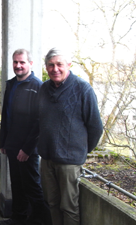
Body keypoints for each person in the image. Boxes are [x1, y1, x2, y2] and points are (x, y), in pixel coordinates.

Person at [38, 48, 103, 225]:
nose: (55, 69)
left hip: (69, 162)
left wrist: (80, 151)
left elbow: (96, 127)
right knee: (52, 203)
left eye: (59, 64)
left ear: (69, 65)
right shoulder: (44, 88)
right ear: (46, 67)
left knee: (69, 207)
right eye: (51, 65)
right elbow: (40, 120)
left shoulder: (83, 89)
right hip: (47, 159)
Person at [0, 49, 52, 225]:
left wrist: (27, 148)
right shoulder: (11, 84)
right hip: (12, 145)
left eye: (22, 62)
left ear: (30, 63)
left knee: (32, 187)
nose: (18, 65)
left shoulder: (38, 86)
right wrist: (3, 141)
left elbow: (40, 121)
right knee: (16, 184)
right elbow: (5, 116)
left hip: (27, 149)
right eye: (15, 62)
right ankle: (18, 218)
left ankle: (41, 221)